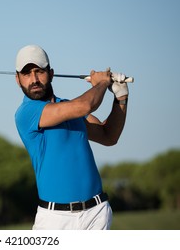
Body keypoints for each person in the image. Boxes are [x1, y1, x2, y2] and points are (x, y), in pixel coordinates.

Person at [14, 44, 129, 230]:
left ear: (51, 74)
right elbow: (84, 106)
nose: (33, 79)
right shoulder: (26, 113)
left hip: (96, 213)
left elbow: (109, 136)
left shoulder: (70, 108)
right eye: (26, 74)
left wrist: (120, 97)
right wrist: (101, 83)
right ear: (17, 79)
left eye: (39, 71)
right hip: (54, 219)